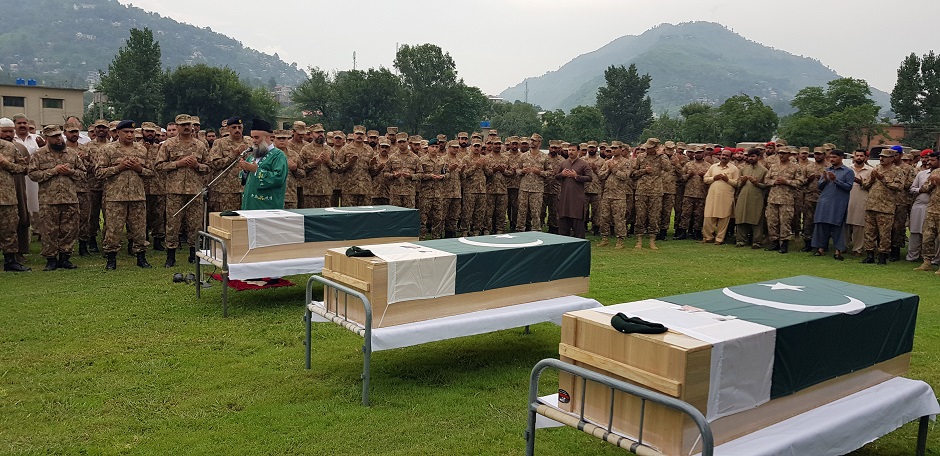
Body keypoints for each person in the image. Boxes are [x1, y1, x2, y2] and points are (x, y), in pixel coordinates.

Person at [96, 120, 154, 270]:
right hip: (116, 196)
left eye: (131, 132)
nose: (129, 135)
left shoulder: (141, 150)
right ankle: (111, 259)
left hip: (137, 196)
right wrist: (119, 168)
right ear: (117, 133)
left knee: (139, 229)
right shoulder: (108, 150)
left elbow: (151, 172)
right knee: (113, 229)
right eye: (125, 132)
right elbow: (99, 172)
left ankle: (141, 257)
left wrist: (139, 169)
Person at [27, 125, 86, 271]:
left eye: (59, 135)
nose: (58, 139)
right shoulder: (39, 155)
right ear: (47, 138)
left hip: (70, 198)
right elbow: (33, 175)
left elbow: (83, 174)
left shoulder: (71, 154)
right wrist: (54, 171)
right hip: (49, 200)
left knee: (69, 229)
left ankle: (65, 257)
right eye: (54, 137)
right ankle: (51, 259)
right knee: (49, 231)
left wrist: (70, 172)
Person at [155, 114, 210, 267]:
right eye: (183, 125)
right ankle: (170, 255)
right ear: (177, 127)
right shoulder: (168, 145)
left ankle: (194, 254)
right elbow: (159, 166)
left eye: (189, 124)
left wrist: (197, 166)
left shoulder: (200, 145)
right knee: (173, 223)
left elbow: (209, 167)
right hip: (175, 190)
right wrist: (178, 163)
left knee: (195, 224)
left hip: (194, 191)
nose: (186, 127)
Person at [861, 149, 906, 264]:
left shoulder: (897, 171)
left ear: (892, 158)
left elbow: (899, 187)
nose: (881, 158)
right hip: (871, 205)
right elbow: (866, 185)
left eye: (885, 157)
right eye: (881, 156)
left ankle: (883, 256)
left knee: (885, 234)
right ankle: (870, 255)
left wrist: (882, 179)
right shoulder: (875, 169)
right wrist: (870, 179)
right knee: (869, 232)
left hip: (886, 207)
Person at [811, 149, 854, 260]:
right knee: (821, 225)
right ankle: (820, 249)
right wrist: (824, 180)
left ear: (841, 158)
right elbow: (819, 186)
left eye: (835, 157)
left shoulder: (848, 171)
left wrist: (836, 180)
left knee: (837, 226)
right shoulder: (826, 170)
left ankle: (838, 251)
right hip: (824, 202)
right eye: (831, 157)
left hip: (838, 203)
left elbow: (848, 187)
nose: (832, 159)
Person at [238, 119, 288, 210]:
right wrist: (245, 170)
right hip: (250, 203)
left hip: (267, 204)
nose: (254, 141)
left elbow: (278, 178)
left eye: (257, 137)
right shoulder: (253, 155)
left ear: (267, 137)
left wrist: (256, 170)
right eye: (252, 137)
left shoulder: (278, 155)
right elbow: (244, 180)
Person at [763, 148, 804, 253]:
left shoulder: (795, 167)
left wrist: (787, 182)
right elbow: (766, 180)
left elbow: (800, 182)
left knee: (785, 222)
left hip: (786, 199)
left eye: (784, 153)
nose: (782, 155)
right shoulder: (773, 167)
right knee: (772, 221)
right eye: (780, 153)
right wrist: (773, 182)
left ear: (789, 154)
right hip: (773, 198)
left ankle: (784, 243)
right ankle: (774, 242)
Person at [0, 126, 30, 271]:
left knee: (9, 229)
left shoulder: (9, 147)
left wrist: (6, 164)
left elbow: (24, 167)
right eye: (3, 131)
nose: (6, 134)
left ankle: (10, 260)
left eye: (9, 131)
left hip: (7, 196)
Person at [208, 117, 252, 212]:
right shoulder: (220, 143)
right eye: (234, 127)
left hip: (248, 189)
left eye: (239, 127)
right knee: (229, 219)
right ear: (228, 128)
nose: (237, 130)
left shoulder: (250, 142)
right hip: (227, 190)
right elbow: (214, 164)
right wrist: (233, 155)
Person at [631, 139, 668, 249]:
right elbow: (632, 174)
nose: (648, 149)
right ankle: (639, 239)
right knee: (640, 215)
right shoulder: (640, 157)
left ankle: (652, 239)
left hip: (656, 191)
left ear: (656, 147)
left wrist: (662, 155)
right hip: (641, 190)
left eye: (651, 147)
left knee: (654, 216)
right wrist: (643, 171)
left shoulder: (662, 157)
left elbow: (668, 168)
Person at [597, 141, 631, 248]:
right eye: (612, 148)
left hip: (619, 195)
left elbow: (625, 176)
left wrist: (614, 169)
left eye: (616, 148)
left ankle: (620, 240)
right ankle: (604, 238)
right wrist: (608, 170)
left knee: (619, 218)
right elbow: (600, 175)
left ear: (621, 149)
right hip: (607, 194)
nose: (613, 150)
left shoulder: (626, 162)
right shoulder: (607, 162)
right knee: (604, 217)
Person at [701, 149, 739, 244]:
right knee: (708, 217)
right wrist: (714, 178)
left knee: (724, 218)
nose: (724, 157)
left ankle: (719, 239)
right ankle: (708, 237)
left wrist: (727, 180)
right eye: (723, 155)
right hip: (712, 196)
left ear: (730, 157)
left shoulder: (734, 169)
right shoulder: (713, 167)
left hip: (725, 197)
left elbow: (737, 183)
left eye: (726, 155)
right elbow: (705, 179)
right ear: (720, 156)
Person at [555, 144, 592, 238]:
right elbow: (556, 176)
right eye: (569, 150)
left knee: (577, 222)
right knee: (563, 222)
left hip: (577, 199)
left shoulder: (583, 164)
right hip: (565, 198)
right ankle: (563, 244)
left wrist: (576, 176)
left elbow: (589, 177)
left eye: (573, 150)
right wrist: (562, 174)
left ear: (578, 151)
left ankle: (579, 244)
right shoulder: (564, 163)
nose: (570, 152)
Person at [734, 148, 769, 248]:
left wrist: (756, 183)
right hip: (743, 196)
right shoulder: (743, 169)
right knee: (741, 216)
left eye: (753, 156)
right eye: (749, 156)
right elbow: (737, 185)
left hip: (757, 197)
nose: (750, 158)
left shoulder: (764, 170)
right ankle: (740, 240)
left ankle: (757, 242)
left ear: (758, 157)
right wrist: (743, 181)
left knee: (756, 218)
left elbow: (767, 186)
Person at [515, 137, 552, 232]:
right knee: (522, 211)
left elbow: (550, 172)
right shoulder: (523, 156)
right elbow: (516, 170)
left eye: (534, 141)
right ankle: (520, 230)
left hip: (537, 189)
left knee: (536, 212)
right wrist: (522, 171)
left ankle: (536, 230)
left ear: (539, 143)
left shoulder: (544, 157)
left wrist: (540, 172)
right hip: (524, 188)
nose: (531, 142)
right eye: (531, 140)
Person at [914, 151, 940, 273]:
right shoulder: (934, 172)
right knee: (927, 237)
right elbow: (924, 188)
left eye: (933, 160)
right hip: (932, 210)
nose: (929, 162)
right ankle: (927, 262)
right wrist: (932, 181)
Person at [909, 150, 935, 263]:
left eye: (932, 160)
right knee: (915, 231)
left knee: (932, 234)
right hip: (919, 205)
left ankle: (933, 258)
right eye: (928, 159)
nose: (929, 162)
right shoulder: (921, 174)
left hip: (935, 208)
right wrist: (921, 189)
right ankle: (912, 256)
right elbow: (912, 189)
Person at [678, 146, 710, 240]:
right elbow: (681, 178)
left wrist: (703, 176)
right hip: (688, 193)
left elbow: (710, 180)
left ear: (703, 154)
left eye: (700, 152)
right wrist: (689, 175)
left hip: (701, 193)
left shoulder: (708, 166)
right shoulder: (688, 164)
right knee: (685, 214)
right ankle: (683, 232)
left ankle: (697, 232)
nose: (698, 154)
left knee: (699, 215)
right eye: (696, 153)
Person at [845, 149, 873, 255]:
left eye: (861, 156)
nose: (859, 158)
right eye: (857, 156)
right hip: (848, 198)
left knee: (859, 225)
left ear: (865, 158)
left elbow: (872, 186)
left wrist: (861, 182)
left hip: (862, 199)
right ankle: (843, 246)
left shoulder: (870, 170)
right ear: (854, 157)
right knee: (845, 224)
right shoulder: (848, 169)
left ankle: (858, 248)